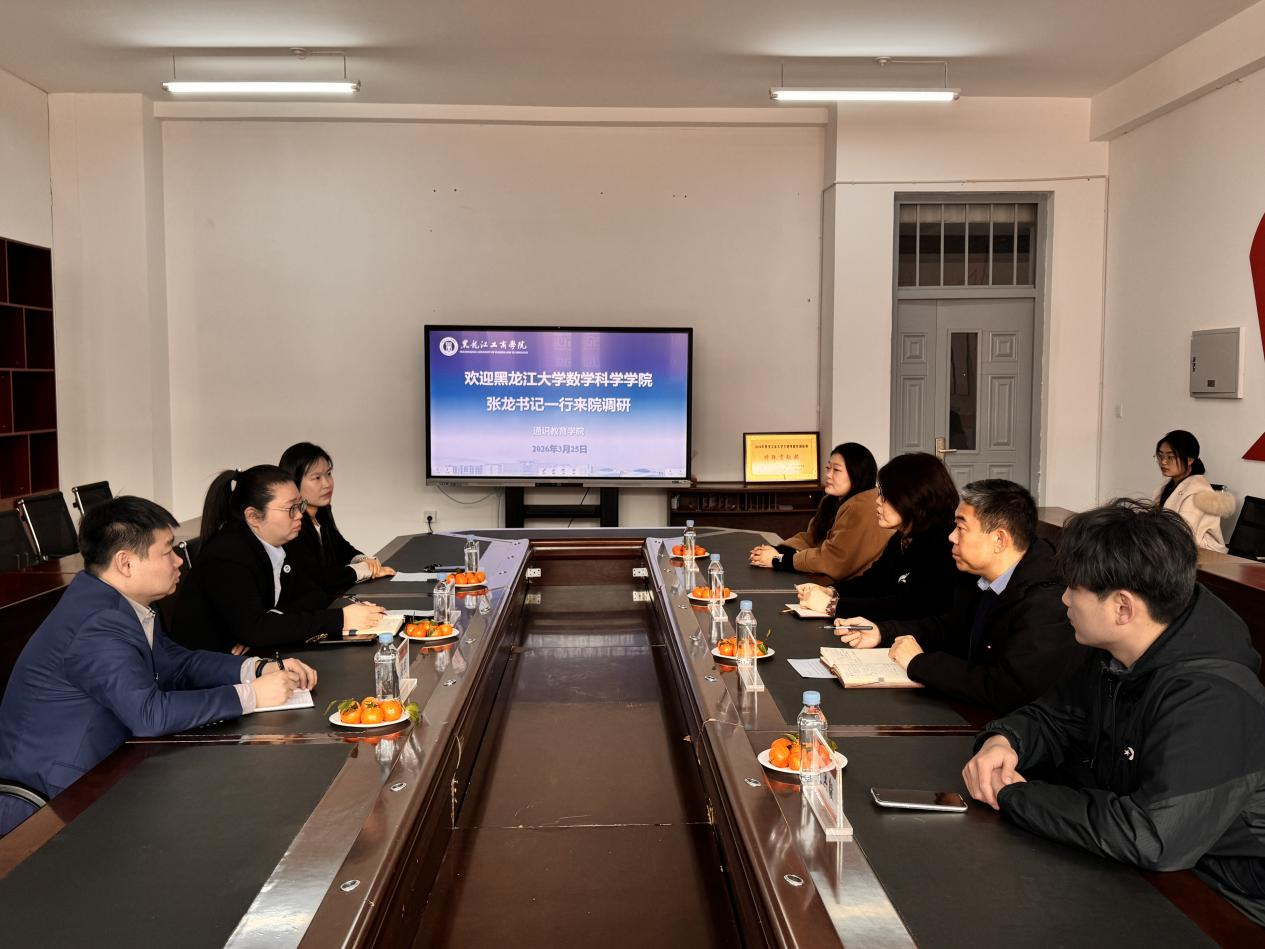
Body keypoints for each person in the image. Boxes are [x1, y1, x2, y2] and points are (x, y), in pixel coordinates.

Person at [962, 500, 1265, 925]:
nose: (1064, 599)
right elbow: (1055, 716)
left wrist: (1015, 796)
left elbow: (1152, 835)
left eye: (1074, 588)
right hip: (1150, 871)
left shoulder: (1213, 698)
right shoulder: (1122, 649)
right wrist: (1005, 740)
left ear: (1123, 608)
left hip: (1225, 898)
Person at [0, 496, 317, 835]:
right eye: (167, 551)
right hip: (55, 801)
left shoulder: (116, 601)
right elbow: (150, 715)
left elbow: (177, 664)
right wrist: (251, 696)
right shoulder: (99, 623)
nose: (179, 561)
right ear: (126, 563)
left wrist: (257, 668)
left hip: (105, 768)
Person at [836, 478, 1084, 713]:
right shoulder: (977, 576)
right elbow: (950, 628)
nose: (951, 536)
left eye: (961, 527)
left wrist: (919, 663)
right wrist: (882, 632)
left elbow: (1008, 688)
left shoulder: (1046, 599)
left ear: (999, 539)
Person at [172, 465, 385, 653]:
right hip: (208, 665)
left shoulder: (282, 541)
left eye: (300, 505)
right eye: (291, 508)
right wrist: (341, 619)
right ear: (253, 516)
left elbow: (314, 594)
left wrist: (271, 621)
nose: (299, 515)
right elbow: (256, 631)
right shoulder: (228, 556)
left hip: (255, 654)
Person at [795, 452, 960, 621]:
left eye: (885, 496)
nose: (877, 501)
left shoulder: (945, 545)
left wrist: (833, 606)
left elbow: (908, 606)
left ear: (914, 498)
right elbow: (873, 582)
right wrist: (830, 591)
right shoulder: (901, 538)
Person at [748, 442, 892, 582]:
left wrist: (778, 559)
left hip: (850, 588)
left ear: (857, 474)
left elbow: (834, 560)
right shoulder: (831, 501)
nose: (828, 474)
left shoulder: (861, 507)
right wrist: (778, 550)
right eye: (828, 468)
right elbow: (811, 538)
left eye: (836, 470)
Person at [279, 442, 395, 597]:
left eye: (328, 474)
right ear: (293, 482)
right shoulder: (292, 523)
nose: (327, 484)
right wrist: (363, 570)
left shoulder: (321, 511)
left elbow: (341, 548)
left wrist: (364, 560)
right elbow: (317, 577)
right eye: (317, 478)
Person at [1153, 429, 1234, 552]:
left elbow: (1181, 535)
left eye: (1170, 457)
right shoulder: (1168, 485)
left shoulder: (1198, 492)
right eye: (1160, 456)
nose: (1163, 462)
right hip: (1173, 549)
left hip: (1202, 555)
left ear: (1190, 459)